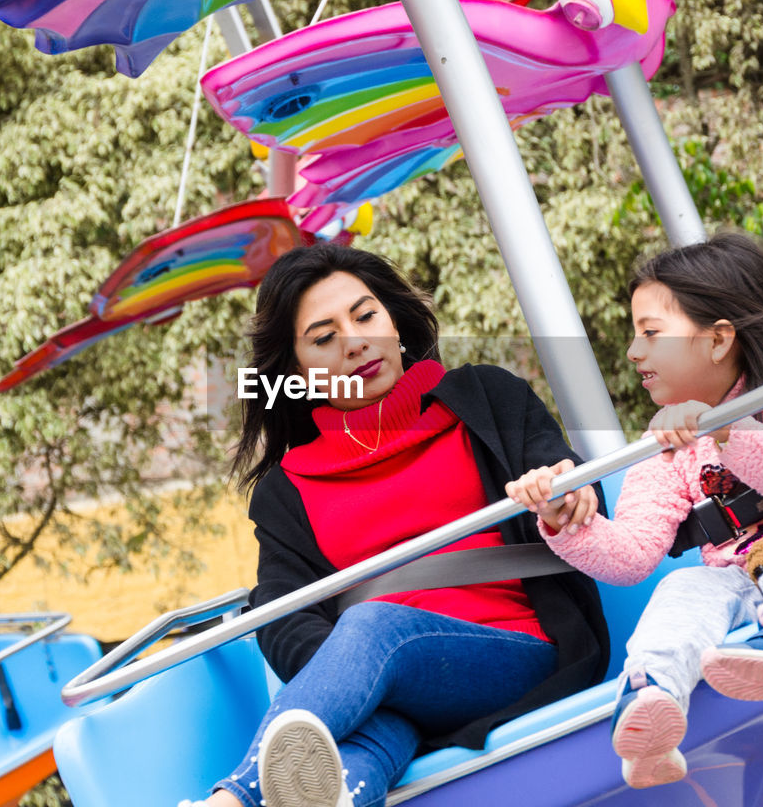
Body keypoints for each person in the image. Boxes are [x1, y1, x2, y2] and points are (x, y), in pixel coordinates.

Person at [182, 244, 609, 807]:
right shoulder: (287, 490)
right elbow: (282, 620)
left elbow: (571, 482)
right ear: (295, 371)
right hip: (392, 690)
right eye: (323, 337)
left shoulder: (485, 396)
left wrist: (563, 497)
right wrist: (356, 678)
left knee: (376, 626)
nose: (355, 342)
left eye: (365, 316)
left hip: (517, 651)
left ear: (393, 321)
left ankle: (232, 797)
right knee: (343, 774)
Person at [511, 232, 763, 789]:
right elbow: (632, 556)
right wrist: (564, 517)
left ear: (719, 340)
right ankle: (651, 699)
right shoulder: (669, 439)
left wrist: (725, 427)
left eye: (651, 334)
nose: (633, 352)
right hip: (739, 583)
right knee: (683, 587)